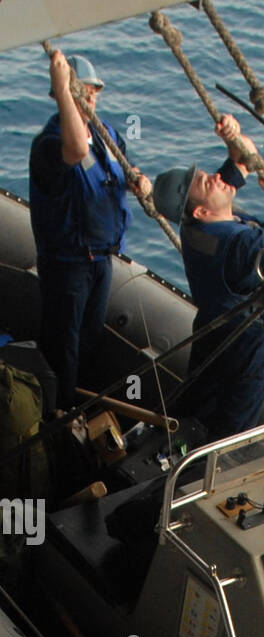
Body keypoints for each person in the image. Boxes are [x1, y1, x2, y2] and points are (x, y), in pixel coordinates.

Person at [152, 115, 264, 442]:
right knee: (235, 421)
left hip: (213, 326)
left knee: (198, 399)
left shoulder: (200, 223)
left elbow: (242, 160)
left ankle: (173, 444)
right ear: (200, 210)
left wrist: (232, 136)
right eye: (206, 181)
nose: (215, 178)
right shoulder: (239, 246)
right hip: (247, 341)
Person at [29, 50, 151, 409]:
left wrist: (138, 182)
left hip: (101, 261)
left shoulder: (106, 135)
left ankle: (76, 401)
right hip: (68, 266)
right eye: (83, 91)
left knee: (88, 339)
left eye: (94, 91)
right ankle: (59, 414)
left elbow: (118, 169)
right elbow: (75, 148)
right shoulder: (50, 146)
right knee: (62, 347)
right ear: (65, 95)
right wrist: (63, 89)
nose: (91, 97)